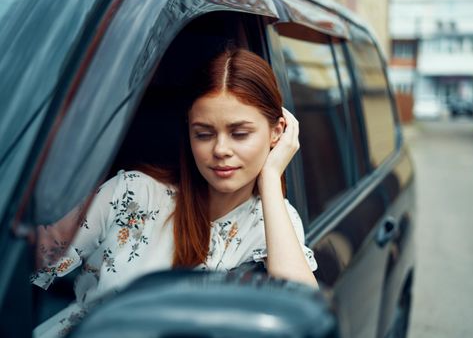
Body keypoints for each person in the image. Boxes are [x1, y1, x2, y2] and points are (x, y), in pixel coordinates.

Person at [30, 48, 318, 337]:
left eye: (240, 133)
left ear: (277, 132)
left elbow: (303, 312)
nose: (220, 150)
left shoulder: (273, 220)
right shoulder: (132, 193)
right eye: (203, 134)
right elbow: (32, 265)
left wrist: (270, 176)